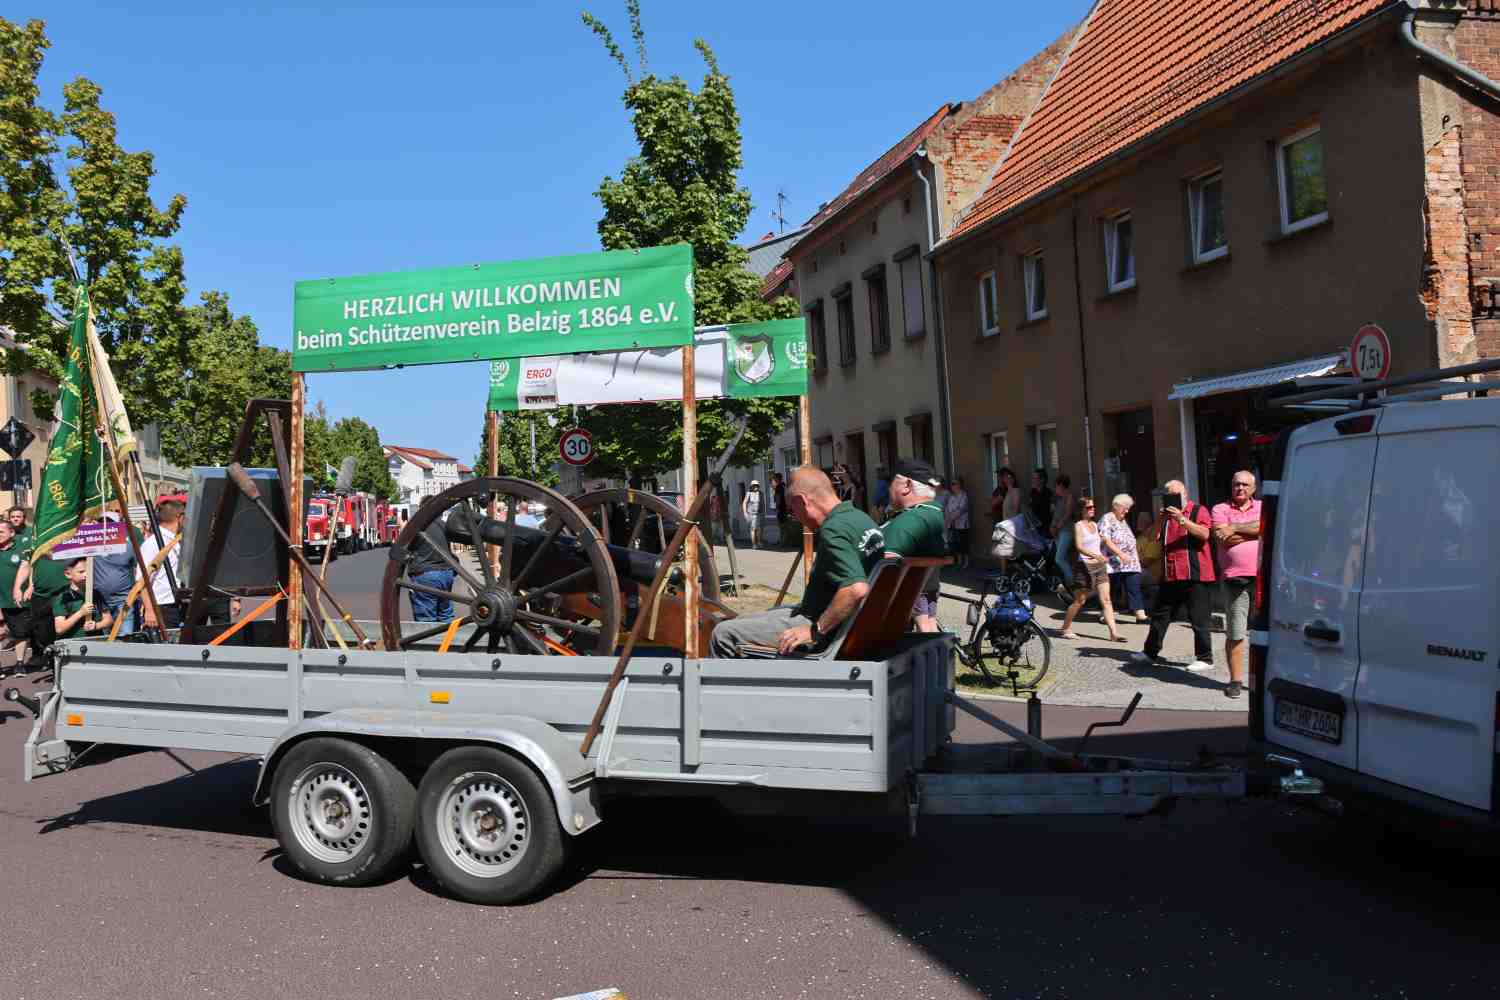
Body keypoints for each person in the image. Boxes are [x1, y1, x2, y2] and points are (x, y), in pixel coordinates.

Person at [710, 467, 884, 657]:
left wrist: (815, 630)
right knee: (741, 619)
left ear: (802, 501)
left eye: (793, 511)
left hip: (823, 626)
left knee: (722, 633)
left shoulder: (834, 529)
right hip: (850, 622)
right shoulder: (860, 518)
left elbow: (856, 588)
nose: (796, 517)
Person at [1130, 479, 1216, 670]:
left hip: (1195, 573)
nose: (1172, 499)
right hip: (1171, 573)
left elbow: (1204, 534)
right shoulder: (1166, 516)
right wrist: (1161, 520)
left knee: (1199, 617)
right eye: (1168, 495)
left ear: (1185, 494)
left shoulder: (1198, 510)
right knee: (1160, 615)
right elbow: (1152, 537)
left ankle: (1205, 657)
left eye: (1175, 495)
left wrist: (1182, 519)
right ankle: (1150, 652)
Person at [880, 459, 949, 633]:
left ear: (907, 485)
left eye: (892, 483)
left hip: (914, 588)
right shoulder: (934, 512)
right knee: (929, 627)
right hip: (929, 584)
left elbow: (887, 564)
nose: (889, 489)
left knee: (925, 628)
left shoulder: (910, 519)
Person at [1212, 470, 1262, 699]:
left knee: (1266, 632)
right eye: (1236, 484)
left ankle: (1262, 678)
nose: (1240, 488)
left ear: (1253, 488)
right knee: (1236, 631)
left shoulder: (1263, 506)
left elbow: (1266, 526)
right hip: (1235, 578)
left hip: (1264, 578)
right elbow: (1223, 537)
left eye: (1244, 485)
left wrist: (1234, 527)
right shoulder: (1220, 509)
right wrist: (1254, 532)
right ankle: (1235, 680)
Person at [1058, 497, 1124, 642]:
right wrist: (1096, 555)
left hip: (1100, 567)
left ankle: (1113, 634)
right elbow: (1079, 547)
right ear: (1081, 510)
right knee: (1080, 601)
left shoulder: (1095, 524)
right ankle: (1065, 628)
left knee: (1106, 600)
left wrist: (1119, 552)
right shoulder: (1078, 526)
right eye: (1089, 507)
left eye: (1093, 507)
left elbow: (1103, 541)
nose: (1092, 509)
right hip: (1085, 567)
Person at [407, 496, 457, 623]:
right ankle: (448, 641)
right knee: (445, 614)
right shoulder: (444, 525)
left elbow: (405, 548)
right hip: (446, 573)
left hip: (426, 574)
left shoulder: (418, 526)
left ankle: (429, 642)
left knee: (426, 619)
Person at [138, 498, 185, 629]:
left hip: (176, 604)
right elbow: (143, 581)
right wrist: (149, 610)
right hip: (161, 607)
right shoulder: (153, 543)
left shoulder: (175, 539)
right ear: (179, 517)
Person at [1099, 494, 1146, 623]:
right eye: (1125, 507)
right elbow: (1105, 539)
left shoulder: (1122, 520)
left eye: (1128, 508)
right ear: (1115, 506)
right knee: (1112, 589)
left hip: (1130, 562)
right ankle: (1105, 614)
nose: (1127, 511)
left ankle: (1140, 614)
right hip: (1113, 562)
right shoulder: (1107, 518)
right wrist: (1120, 554)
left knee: (1134, 586)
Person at [93, 515, 140, 638]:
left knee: (125, 638)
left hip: (123, 601)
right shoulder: (91, 545)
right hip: (101, 603)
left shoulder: (128, 545)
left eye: (109, 523)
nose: (105, 527)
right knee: (106, 639)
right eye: (101, 523)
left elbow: (138, 569)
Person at [52, 557, 112, 640]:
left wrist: (96, 626)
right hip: (74, 645)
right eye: (81, 572)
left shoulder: (96, 594)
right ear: (68, 574)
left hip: (96, 643)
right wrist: (81, 613)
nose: (86, 574)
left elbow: (108, 620)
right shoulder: (63, 598)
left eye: (89, 571)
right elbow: (59, 629)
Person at [0, 520, 31, 670]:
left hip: (15, 600)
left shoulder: (22, 549)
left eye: (1, 532)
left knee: (20, 632)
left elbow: (30, 568)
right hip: (0, 599)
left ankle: (19, 663)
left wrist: (29, 587)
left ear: (12, 533)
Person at [1051, 474, 1076, 587]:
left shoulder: (1069, 497)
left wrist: (1057, 526)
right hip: (1058, 532)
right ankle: (1068, 582)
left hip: (1066, 530)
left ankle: (1072, 583)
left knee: (1059, 558)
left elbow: (1068, 514)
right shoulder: (1059, 499)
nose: (1056, 489)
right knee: (1064, 558)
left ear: (1061, 485)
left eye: (1056, 486)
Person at [944, 475, 971, 570]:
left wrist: (951, 517)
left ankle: (966, 562)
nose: (952, 485)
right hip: (952, 524)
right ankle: (959, 562)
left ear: (960, 485)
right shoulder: (951, 497)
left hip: (962, 524)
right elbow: (947, 509)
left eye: (955, 483)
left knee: (964, 543)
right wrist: (948, 519)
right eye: (952, 484)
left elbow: (962, 509)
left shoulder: (964, 495)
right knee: (956, 544)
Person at [741, 480, 764, 549]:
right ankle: (754, 544)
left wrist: (764, 512)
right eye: (754, 485)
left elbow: (762, 503)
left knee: (759, 529)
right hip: (751, 514)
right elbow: (744, 503)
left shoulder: (761, 493)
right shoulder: (748, 493)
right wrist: (745, 513)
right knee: (753, 529)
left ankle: (759, 542)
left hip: (759, 513)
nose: (755, 487)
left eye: (756, 485)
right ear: (751, 486)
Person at [771, 472, 788, 543]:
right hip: (786, 508)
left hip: (781, 508)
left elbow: (778, 498)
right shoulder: (784, 485)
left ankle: (782, 541)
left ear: (777, 479)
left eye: (774, 479)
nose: (773, 480)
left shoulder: (778, 487)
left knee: (782, 526)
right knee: (785, 525)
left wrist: (777, 508)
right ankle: (783, 540)